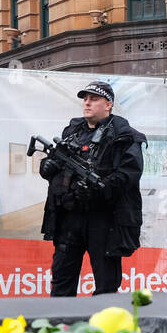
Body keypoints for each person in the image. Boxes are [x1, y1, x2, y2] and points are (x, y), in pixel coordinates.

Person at [39, 80, 145, 296]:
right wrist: (47, 167)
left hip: (104, 220)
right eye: (85, 99)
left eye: (93, 99)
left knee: (106, 285)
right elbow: (56, 166)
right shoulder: (72, 132)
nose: (87, 103)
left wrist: (100, 188)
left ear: (108, 104)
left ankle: (102, 329)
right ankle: (60, 328)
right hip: (69, 218)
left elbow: (129, 173)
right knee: (61, 281)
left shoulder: (124, 136)